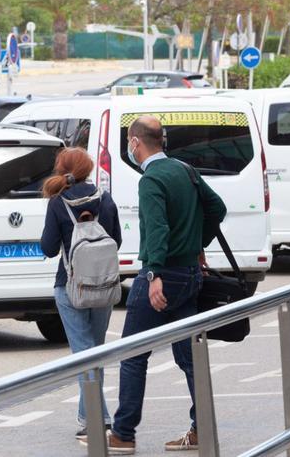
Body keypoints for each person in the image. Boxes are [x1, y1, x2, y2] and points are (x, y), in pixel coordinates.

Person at [106, 116, 226, 454]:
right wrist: (197, 244)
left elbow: (156, 228)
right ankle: (202, 427)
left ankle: (123, 433)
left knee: (132, 354)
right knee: (189, 357)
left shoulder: (152, 179)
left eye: (129, 143)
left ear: (135, 143)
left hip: (163, 276)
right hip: (190, 275)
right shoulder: (185, 170)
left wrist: (154, 273)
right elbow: (217, 207)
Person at [40, 147, 122, 439]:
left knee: (84, 355)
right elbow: (117, 240)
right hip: (104, 285)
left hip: (70, 287)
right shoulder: (105, 198)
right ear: (88, 168)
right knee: (94, 353)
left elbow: (49, 248)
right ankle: (92, 416)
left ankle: (96, 420)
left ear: (61, 169)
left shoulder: (58, 202)